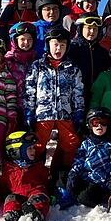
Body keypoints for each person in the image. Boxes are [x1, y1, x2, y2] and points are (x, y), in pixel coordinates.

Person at [25, 27, 85, 172]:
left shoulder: (72, 68)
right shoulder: (38, 66)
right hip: (43, 114)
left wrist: (79, 111)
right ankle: (37, 173)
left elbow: (78, 91)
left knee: (72, 143)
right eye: (55, 44)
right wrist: (29, 110)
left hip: (65, 113)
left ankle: (66, 173)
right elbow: (30, 89)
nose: (58, 48)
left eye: (62, 45)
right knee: (38, 145)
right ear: (48, 45)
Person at [63, 108, 111, 209]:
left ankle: (103, 197)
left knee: (85, 197)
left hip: (100, 182)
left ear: (109, 125)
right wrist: (73, 174)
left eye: (103, 123)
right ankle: (68, 194)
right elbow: (79, 160)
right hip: (85, 178)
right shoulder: (86, 143)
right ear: (89, 125)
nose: (99, 126)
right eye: (95, 123)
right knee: (62, 176)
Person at [1, 130, 51, 221]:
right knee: (10, 198)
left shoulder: (37, 165)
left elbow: (46, 178)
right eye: (29, 148)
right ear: (16, 151)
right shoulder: (8, 168)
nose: (34, 150)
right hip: (18, 194)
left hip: (34, 192)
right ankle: (12, 212)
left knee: (40, 198)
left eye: (33, 147)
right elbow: (3, 183)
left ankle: (36, 212)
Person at [69, 15, 111, 102]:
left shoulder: (102, 52)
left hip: (97, 96)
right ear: (80, 29)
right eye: (88, 28)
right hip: (76, 95)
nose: (92, 32)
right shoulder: (72, 49)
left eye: (95, 29)